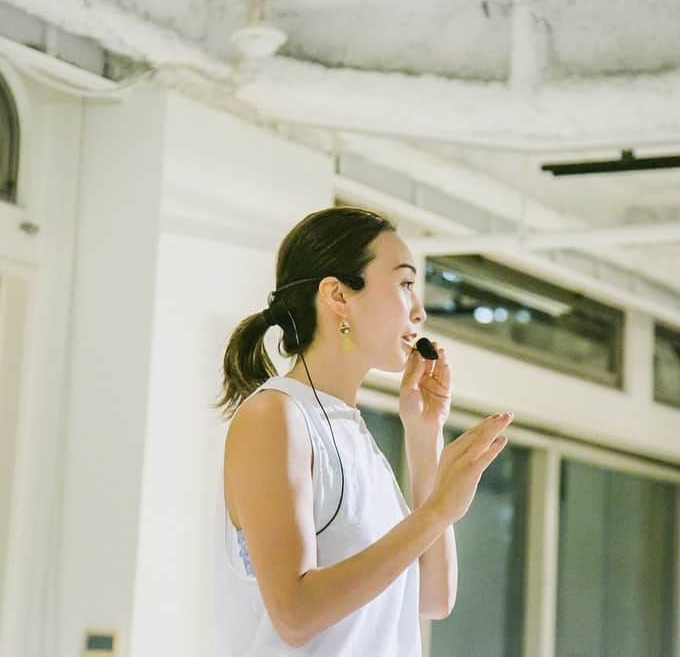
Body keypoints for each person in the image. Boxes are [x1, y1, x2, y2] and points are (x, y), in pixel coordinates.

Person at [210, 206, 513, 656]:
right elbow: (295, 615)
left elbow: (433, 596)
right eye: (406, 284)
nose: (420, 312)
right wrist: (435, 512)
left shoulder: (353, 432)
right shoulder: (275, 416)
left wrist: (424, 436)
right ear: (337, 295)